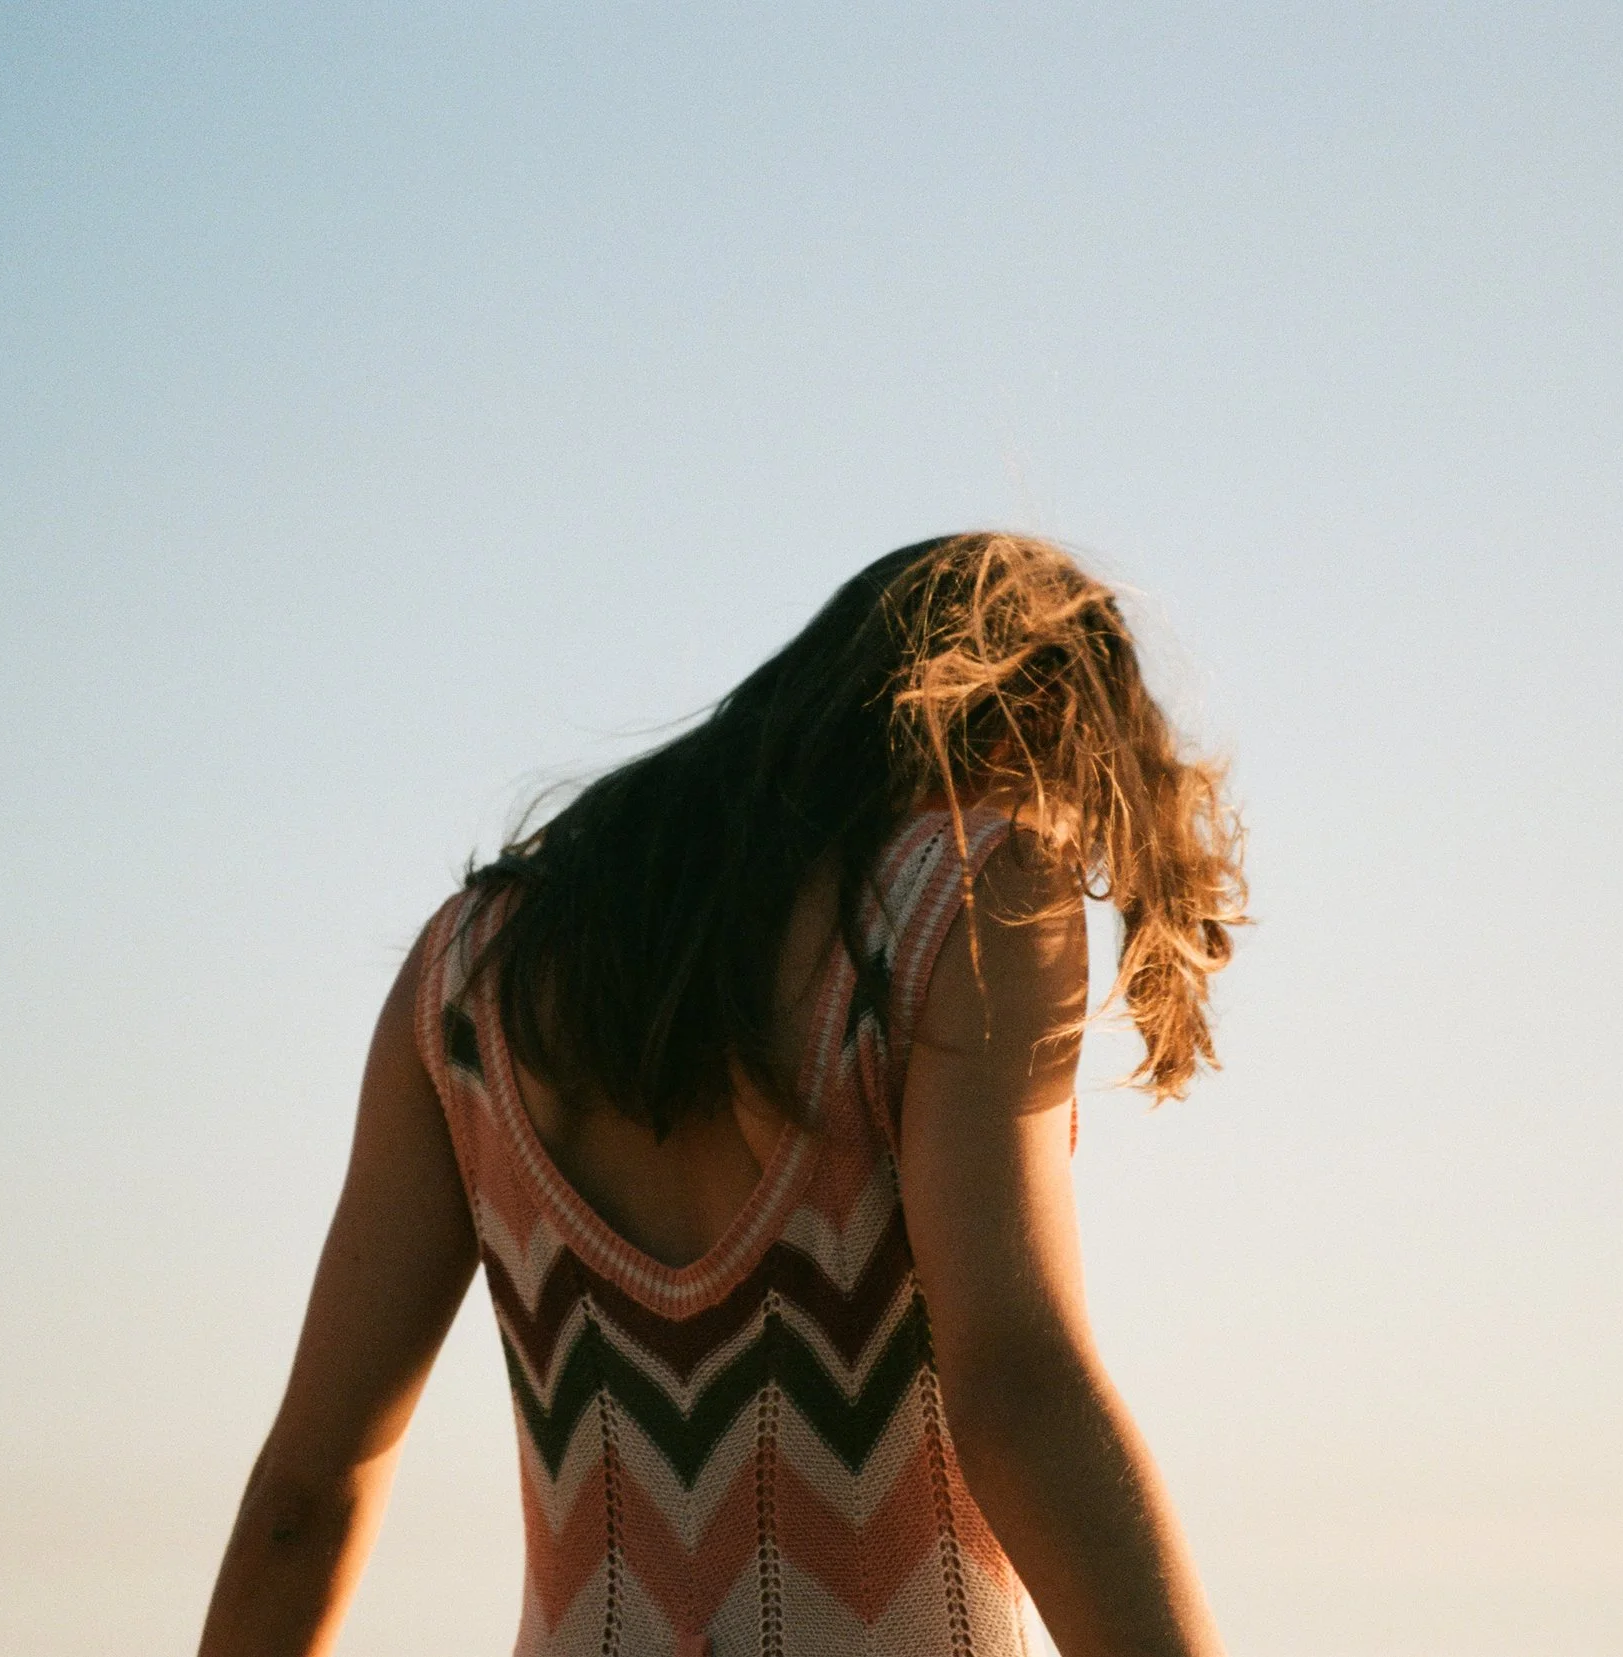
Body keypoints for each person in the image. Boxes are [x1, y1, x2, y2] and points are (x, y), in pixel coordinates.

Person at [198, 532, 1245, 1657]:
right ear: (1029, 729)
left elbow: (306, 1491)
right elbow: (1019, 1392)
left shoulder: (467, 975)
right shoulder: (973, 891)